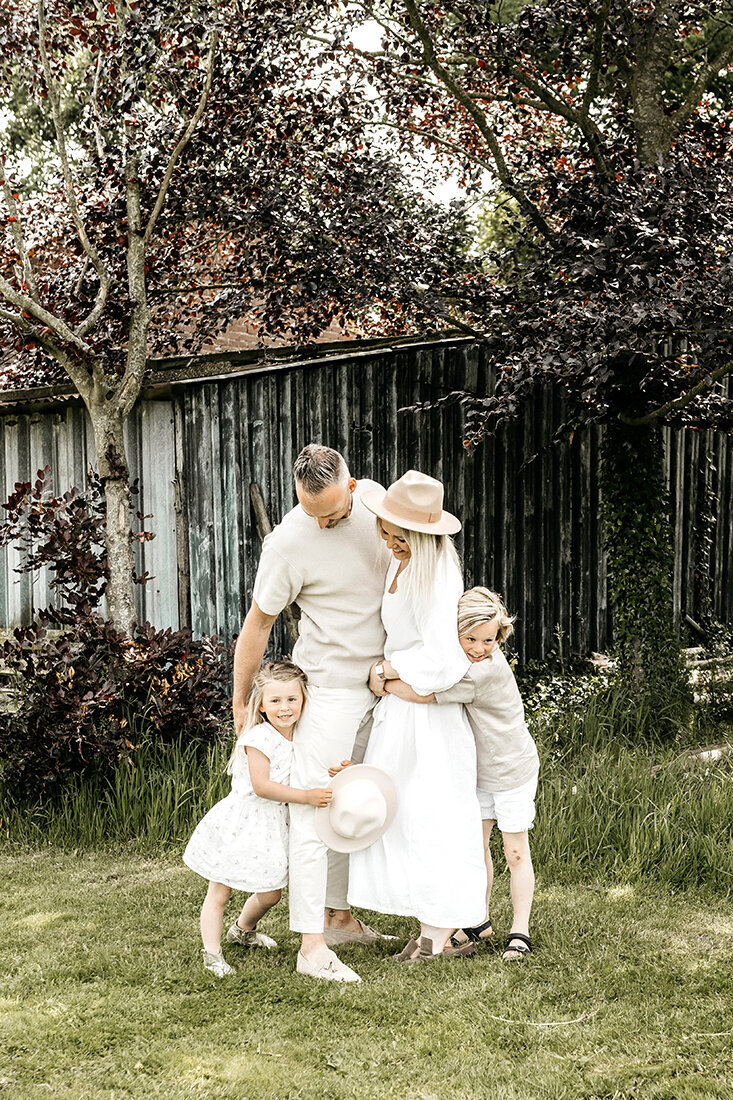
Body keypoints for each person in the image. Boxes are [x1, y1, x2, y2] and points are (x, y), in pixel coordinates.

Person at [232, 444, 392, 983]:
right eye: (310, 512)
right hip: (328, 690)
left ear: (352, 486)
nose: (321, 523)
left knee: (351, 805)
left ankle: (339, 916)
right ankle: (311, 947)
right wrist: (242, 706)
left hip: (383, 685)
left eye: (331, 512)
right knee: (312, 811)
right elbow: (257, 626)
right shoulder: (288, 543)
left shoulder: (376, 505)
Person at [346, 471, 487, 962]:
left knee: (433, 818)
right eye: (384, 531)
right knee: (402, 818)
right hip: (400, 712)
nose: (388, 543)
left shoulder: (440, 575)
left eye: (398, 537)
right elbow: (362, 487)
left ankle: (438, 933)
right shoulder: (401, 563)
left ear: (425, 537)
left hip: (428, 722)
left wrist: (389, 672)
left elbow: (444, 660)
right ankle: (430, 928)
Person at [384, 587, 540, 961]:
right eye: (469, 638)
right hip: (480, 772)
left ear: (498, 636)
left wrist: (383, 681)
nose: (478, 646)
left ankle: (520, 930)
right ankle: (478, 919)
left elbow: (425, 692)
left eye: (488, 639)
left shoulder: (483, 671)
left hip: (511, 770)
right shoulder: (462, 660)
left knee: (515, 851)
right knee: (474, 848)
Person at [184, 661, 332, 977]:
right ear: (262, 706)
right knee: (220, 892)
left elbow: (305, 770)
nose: (285, 708)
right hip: (241, 823)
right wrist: (306, 797)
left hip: (273, 826)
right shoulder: (259, 739)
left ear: (304, 700)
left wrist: (334, 770)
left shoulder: (302, 737)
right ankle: (212, 955)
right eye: (275, 701)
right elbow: (262, 787)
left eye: (292, 699)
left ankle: (243, 929)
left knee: (271, 893)